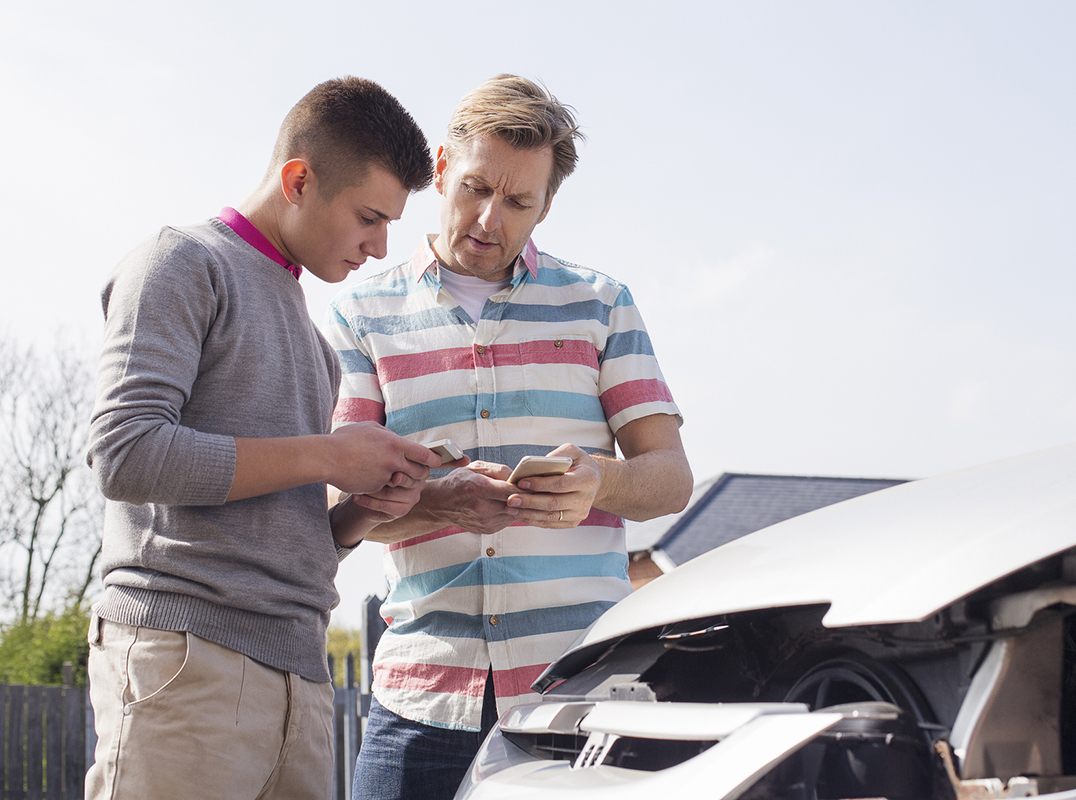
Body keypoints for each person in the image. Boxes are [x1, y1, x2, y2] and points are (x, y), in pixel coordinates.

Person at [324, 74, 693, 799]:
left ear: (547, 205)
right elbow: (346, 506)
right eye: (474, 188)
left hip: (578, 694)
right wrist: (441, 502)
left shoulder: (602, 303)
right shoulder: (360, 314)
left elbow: (670, 479)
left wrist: (600, 477)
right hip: (422, 694)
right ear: (438, 170)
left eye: (519, 201)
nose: (490, 219)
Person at [85, 77, 444, 800]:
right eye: (369, 218)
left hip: (302, 679)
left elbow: (284, 527)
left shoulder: (315, 344)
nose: (379, 248)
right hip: (188, 663)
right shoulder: (181, 262)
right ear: (299, 180)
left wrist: (362, 512)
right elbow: (125, 453)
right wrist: (333, 455)